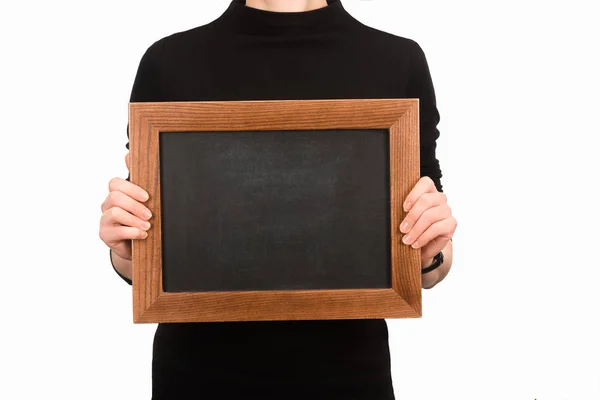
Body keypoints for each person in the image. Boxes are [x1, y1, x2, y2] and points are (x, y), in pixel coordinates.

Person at [99, 0, 457, 398]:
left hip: (348, 378)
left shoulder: (396, 61)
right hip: (197, 378)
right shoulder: (169, 63)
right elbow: (141, 247)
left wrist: (429, 253)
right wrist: (127, 250)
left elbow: (430, 261)